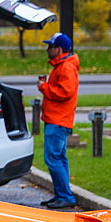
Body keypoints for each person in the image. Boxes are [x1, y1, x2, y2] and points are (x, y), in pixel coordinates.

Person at [37, 32, 79, 209]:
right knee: (59, 158)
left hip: (58, 120)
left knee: (53, 158)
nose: (48, 50)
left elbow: (65, 92)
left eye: (50, 47)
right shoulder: (61, 65)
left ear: (59, 49)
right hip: (58, 119)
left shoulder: (66, 67)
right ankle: (61, 194)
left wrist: (44, 87)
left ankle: (64, 196)